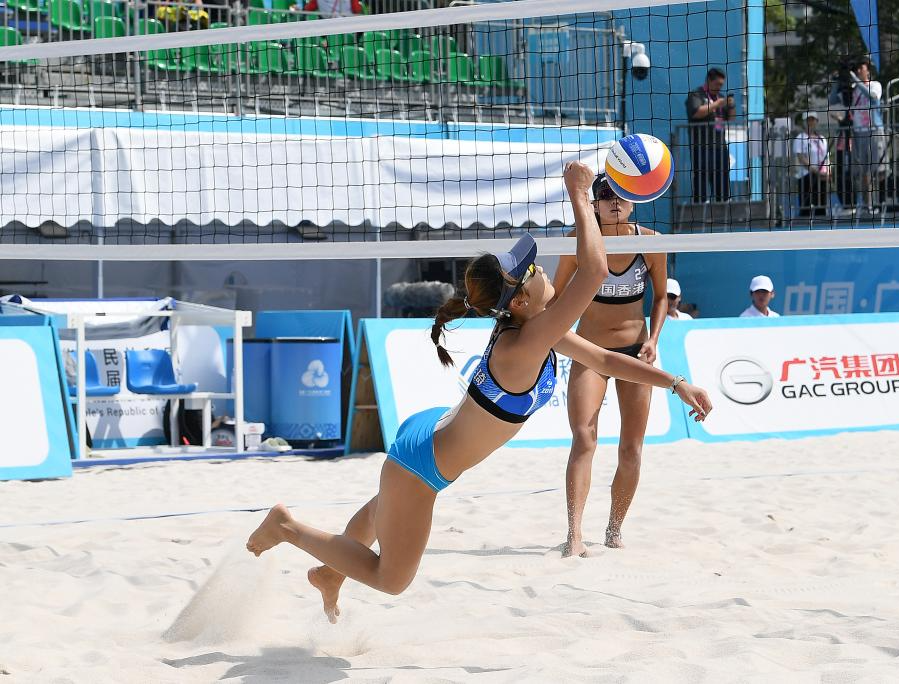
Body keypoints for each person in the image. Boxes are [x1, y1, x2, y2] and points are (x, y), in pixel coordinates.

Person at [246, 162, 712, 621]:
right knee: (391, 579)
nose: (542, 271)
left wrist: (676, 383)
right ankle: (287, 527)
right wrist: (579, 196)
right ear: (521, 300)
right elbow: (592, 273)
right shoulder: (527, 340)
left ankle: (331, 574)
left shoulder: (534, 330)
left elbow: (606, 360)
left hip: (433, 431)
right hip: (423, 464)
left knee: (380, 513)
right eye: (533, 271)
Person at [550, 174, 669, 558]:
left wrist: (653, 339)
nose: (613, 201)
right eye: (604, 194)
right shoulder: (579, 241)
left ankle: (614, 527)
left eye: (621, 195)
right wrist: (550, 337)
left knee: (631, 448)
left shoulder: (650, 242)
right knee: (584, 438)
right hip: (590, 351)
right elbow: (555, 297)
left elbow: (662, 297)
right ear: (595, 204)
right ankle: (574, 533)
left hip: (635, 352)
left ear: (633, 202)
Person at [685, 67, 735, 203]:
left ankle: (723, 204)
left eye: (721, 85)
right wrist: (716, 104)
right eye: (717, 84)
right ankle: (700, 206)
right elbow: (696, 112)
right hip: (701, 146)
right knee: (701, 178)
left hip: (720, 146)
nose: (719, 88)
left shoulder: (721, 98)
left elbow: (730, 119)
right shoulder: (696, 95)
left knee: (722, 179)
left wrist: (731, 106)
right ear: (709, 80)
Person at [849, 58, 886, 216]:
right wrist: (839, 81)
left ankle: (882, 202)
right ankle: (867, 205)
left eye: (861, 68)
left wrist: (856, 81)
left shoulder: (875, 84)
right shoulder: (853, 89)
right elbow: (834, 99)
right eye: (856, 69)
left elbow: (872, 96)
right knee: (864, 171)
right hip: (860, 132)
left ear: (868, 71)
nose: (858, 71)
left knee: (880, 169)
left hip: (875, 130)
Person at [793, 112, 830, 216]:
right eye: (808, 120)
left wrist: (827, 172)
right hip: (806, 176)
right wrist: (815, 170)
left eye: (813, 120)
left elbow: (826, 158)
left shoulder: (822, 138)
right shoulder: (800, 138)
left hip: (821, 176)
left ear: (816, 121)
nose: (811, 122)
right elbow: (801, 158)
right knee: (806, 208)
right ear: (805, 122)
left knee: (821, 207)